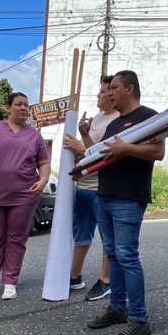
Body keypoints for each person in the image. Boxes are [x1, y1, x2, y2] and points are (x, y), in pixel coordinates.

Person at [85, 70, 164, 335]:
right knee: (113, 254)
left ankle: (139, 319)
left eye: (114, 88)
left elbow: (158, 152)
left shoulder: (149, 117)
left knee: (128, 256)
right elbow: (99, 154)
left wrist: (127, 148)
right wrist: (85, 139)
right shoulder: (113, 124)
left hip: (129, 196)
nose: (109, 93)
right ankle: (117, 308)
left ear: (129, 89)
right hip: (105, 193)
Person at [0, 92, 50, 301]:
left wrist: (42, 181)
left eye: (26, 105)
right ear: (8, 107)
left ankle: (10, 281)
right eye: (18, 104)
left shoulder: (34, 135)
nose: (23, 108)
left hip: (24, 195)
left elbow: (43, 163)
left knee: (17, 238)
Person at [62, 75, 119, 301]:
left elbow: (101, 154)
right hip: (82, 186)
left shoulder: (117, 120)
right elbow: (87, 150)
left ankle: (106, 280)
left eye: (104, 91)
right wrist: (84, 134)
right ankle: (74, 276)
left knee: (108, 236)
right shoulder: (97, 119)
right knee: (81, 232)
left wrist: (79, 144)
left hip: (99, 187)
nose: (99, 94)